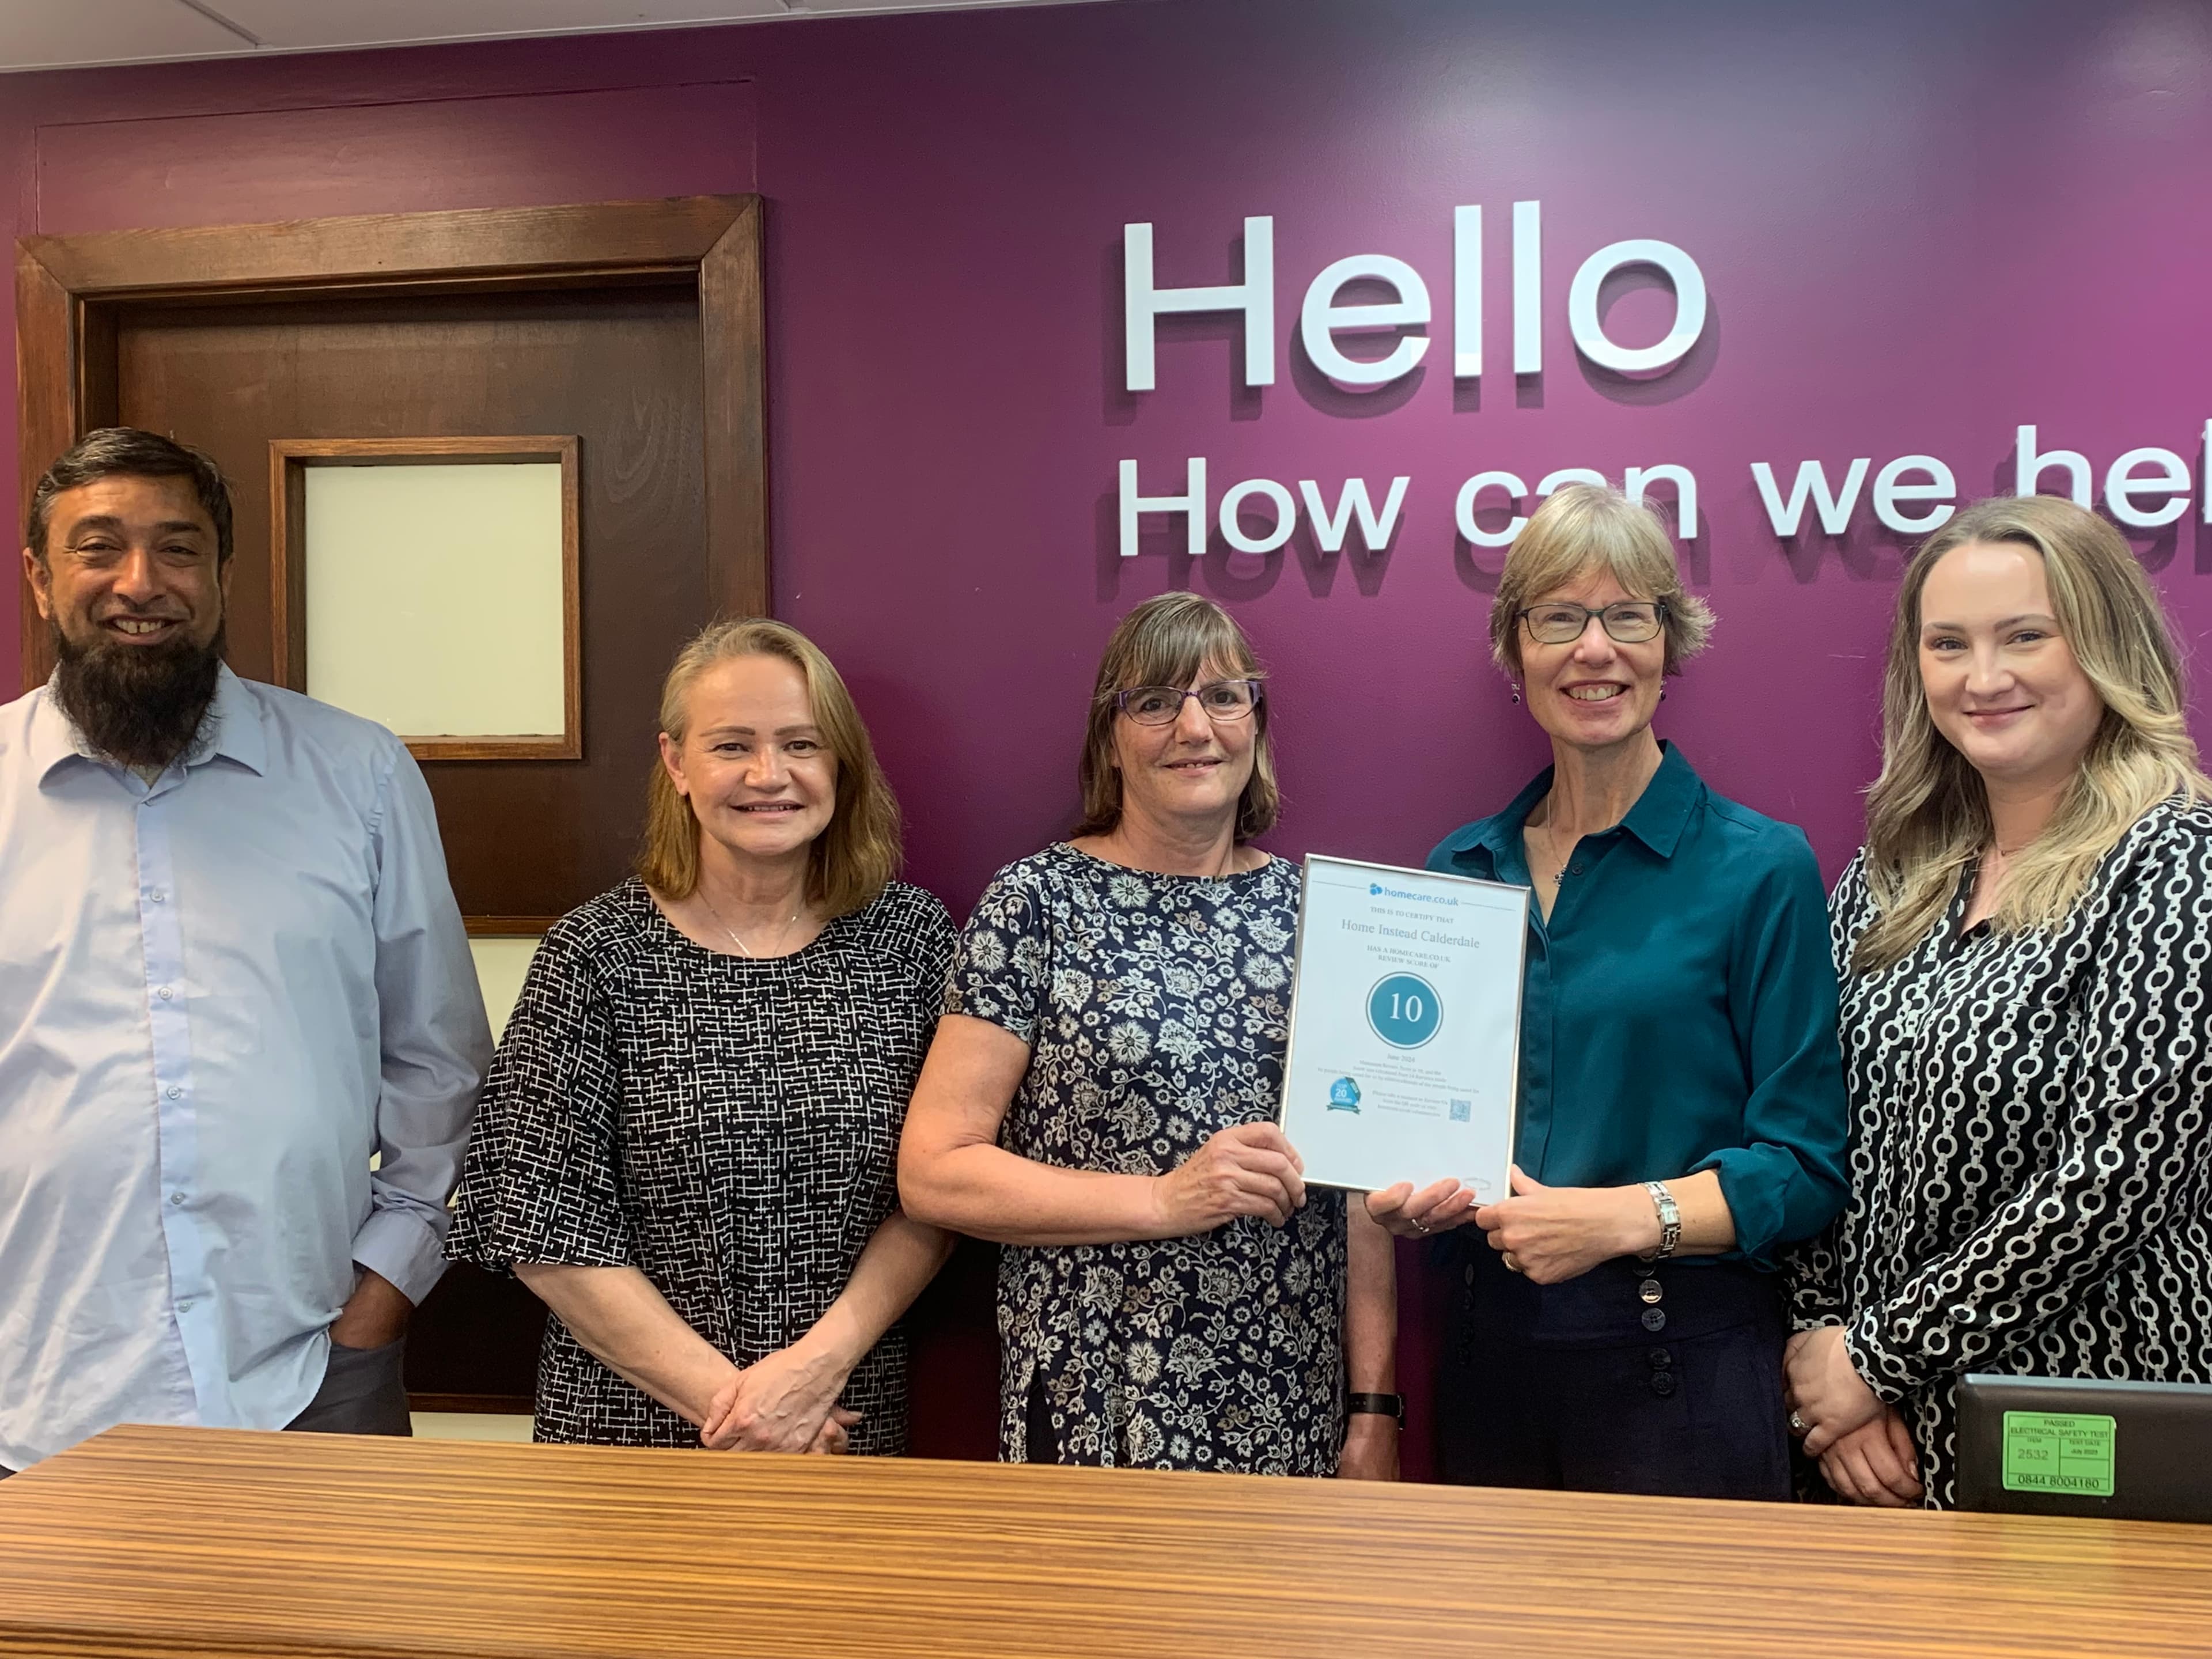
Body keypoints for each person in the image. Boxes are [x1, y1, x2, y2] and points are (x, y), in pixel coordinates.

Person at [0, 429, 490, 1475]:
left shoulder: (358, 776)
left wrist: (385, 1288)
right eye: (99, 548)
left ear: (222, 573)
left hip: (312, 1375)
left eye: (178, 548)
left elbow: (440, 1063)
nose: (141, 582)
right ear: (39, 579)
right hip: (31, 1392)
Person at [1365, 482, 1849, 1500]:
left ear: (1670, 646)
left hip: (1682, 1371)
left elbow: (1805, 1166)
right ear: (1516, 652)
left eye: (1627, 616)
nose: (1595, 650)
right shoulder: (1459, 872)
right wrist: (1413, 1195)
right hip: (1490, 1363)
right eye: (1559, 619)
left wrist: (1621, 1220)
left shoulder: (1762, 868)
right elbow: (1427, 1119)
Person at [899, 592, 1400, 1479]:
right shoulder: (1035, 904)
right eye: (1157, 702)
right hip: (1094, 1392)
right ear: (1110, 737)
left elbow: (1358, 1196)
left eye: (1224, 697)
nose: (1194, 728)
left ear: (1257, 726)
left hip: (1283, 1397)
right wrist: (1166, 1200)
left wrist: (1373, 1411)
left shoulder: (1323, 917)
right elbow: (936, 1172)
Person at [1785, 497, 2212, 1510]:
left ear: (2106, 645)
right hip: (1874, 1441)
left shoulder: (2176, 861)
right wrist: (1820, 1343)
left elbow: (2119, 1178)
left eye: (2025, 636)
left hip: (2091, 1418)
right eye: (1949, 644)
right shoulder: (1894, 872)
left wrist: (1875, 1358)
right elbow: (1807, 1115)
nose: (1983, 678)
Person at [448, 619, 955, 1455]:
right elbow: (541, 1221)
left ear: (841, 764)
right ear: (677, 764)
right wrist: (743, 1412)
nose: (769, 774)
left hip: (841, 1416)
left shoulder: (910, 942)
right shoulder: (595, 955)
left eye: (802, 744)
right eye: (731, 746)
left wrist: (812, 1374)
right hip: (629, 1429)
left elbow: (938, 1191)